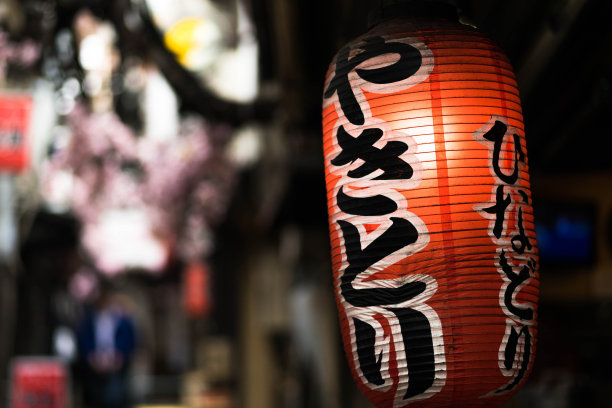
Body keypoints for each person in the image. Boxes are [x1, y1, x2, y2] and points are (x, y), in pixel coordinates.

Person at [77, 283, 136, 408]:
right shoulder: (89, 319)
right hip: (95, 365)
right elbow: (83, 339)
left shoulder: (121, 319)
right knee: (96, 397)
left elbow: (130, 339)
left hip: (115, 364)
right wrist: (91, 357)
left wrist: (120, 356)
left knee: (115, 397)